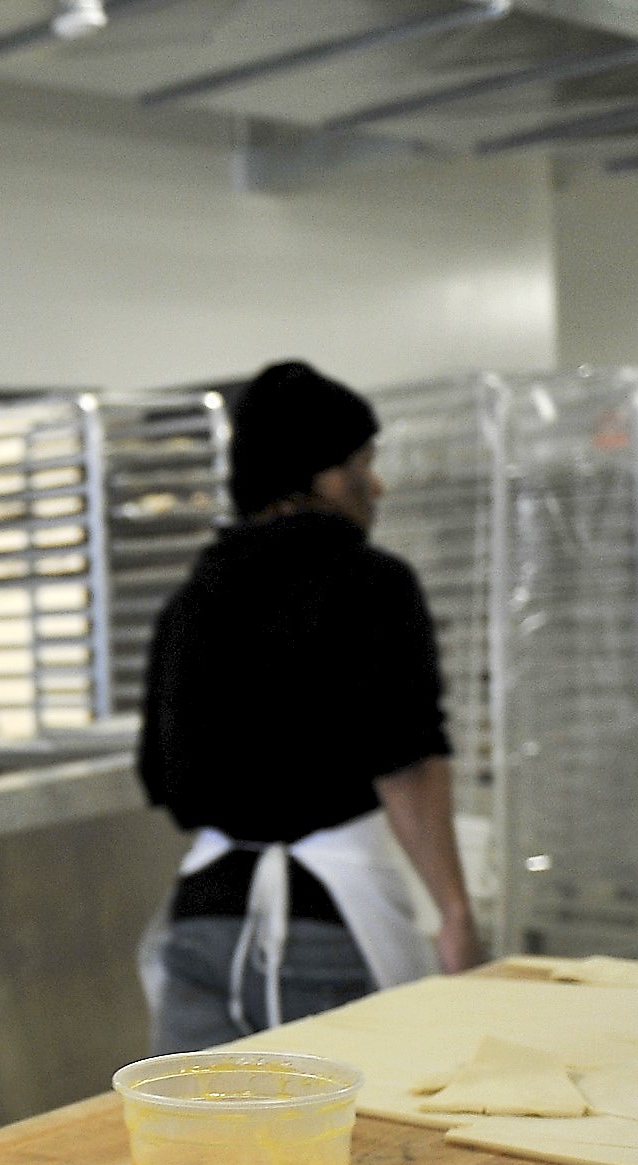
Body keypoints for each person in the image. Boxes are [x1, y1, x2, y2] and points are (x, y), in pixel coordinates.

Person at [137, 360, 482, 1052]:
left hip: (201, 926)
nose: (375, 485)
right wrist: (453, 914)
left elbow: (160, 776)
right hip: (319, 938)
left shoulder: (190, 599)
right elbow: (406, 764)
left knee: (202, 1149)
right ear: (319, 474)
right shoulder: (372, 585)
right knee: (347, 1149)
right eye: (363, 461)